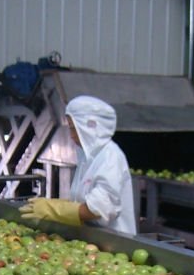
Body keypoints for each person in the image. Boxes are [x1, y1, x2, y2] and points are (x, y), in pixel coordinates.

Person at [20, 95, 136, 235]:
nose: (71, 135)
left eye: (74, 128)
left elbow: (97, 210)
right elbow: (81, 200)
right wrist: (56, 204)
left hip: (116, 243)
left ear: (90, 128)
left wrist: (53, 210)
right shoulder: (87, 157)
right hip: (93, 239)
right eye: (70, 128)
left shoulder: (110, 157)